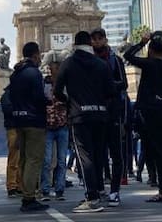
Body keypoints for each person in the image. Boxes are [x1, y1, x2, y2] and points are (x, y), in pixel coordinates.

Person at [55, 31, 114, 213]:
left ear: (74, 44)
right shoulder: (101, 64)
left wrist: (67, 101)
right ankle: (99, 190)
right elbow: (111, 90)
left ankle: (92, 197)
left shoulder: (68, 63)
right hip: (100, 115)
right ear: (89, 43)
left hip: (79, 115)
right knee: (98, 154)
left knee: (84, 156)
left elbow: (57, 89)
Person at [124, 31, 162, 203]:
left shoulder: (149, 64)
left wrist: (141, 43)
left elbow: (127, 55)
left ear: (151, 49)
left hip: (151, 110)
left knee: (158, 152)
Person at [8, 41, 49, 213]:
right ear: (35, 54)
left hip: (19, 121)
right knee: (34, 159)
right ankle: (29, 197)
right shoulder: (34, 73)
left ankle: (26, 193)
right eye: (39, 54)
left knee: (24, 158)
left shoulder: (15, 74)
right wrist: (48, 101)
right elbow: (39, 98)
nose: (40, 58)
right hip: (34, 121)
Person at [90, 27, 128, 206]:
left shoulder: (115, 60)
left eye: (100, 38)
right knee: (97, 154)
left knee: (116, 154)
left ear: (105, 39)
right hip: (96, 113)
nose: (97, 41)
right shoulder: (89, 61)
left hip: (113, 112)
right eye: (94, 39)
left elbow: (124, 84)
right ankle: (98, 188)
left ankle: (114, 191)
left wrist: (107, 87)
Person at [41, 55, 68, 202]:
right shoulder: (44, 84)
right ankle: (45, 190)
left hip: (62, 125)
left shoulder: (66, 84)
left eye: (55, 69)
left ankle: (59, 189)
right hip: (48, 125)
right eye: (51, 69)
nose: (52, 71)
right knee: (46, 160)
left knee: (61, 160)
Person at [0, 84, 21, 198]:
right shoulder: (7, 96)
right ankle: (12, 186)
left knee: (20, 158)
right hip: (13, 127)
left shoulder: (14, 94)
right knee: (14, 157)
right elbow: (8, 110)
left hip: (20, 127)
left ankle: (18, 185)